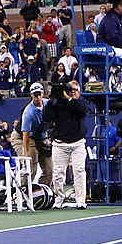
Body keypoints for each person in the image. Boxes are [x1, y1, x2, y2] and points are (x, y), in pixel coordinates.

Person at [42, 80, 88, 209]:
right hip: (60, 143)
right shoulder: (57, 104)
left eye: (75, 90)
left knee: (79, 171)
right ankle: (59, 198)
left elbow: (82, 111)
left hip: (78, 143)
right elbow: (47, 118)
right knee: (58, 173)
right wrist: (51, 100)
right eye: (70, 90)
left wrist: (70, 99)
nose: (72, 92)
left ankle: (80, 200)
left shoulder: (80, 103)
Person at [20, 82, 53, 186]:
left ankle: (42, 192)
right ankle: (23, 192)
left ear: (43, 94)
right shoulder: (28, 113)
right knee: (31, 168)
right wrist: (27, 153)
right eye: (35, 95)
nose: (38, 97)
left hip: (42, 136)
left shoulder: (48, 104)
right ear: (31, 95)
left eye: (39, 94)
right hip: (30, 137)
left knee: (49, 170)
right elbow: (25, 135)